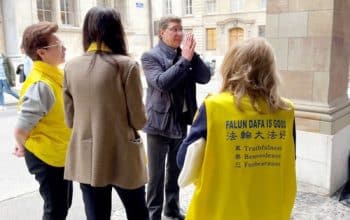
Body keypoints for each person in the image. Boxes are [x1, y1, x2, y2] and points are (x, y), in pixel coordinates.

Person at [177, 38, 297, 220]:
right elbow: (290, 156)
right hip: (270, 210)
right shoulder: (286, 110)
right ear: (271, 70)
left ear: (230, 67)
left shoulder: (214, 107)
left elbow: (182, 161)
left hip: (219, 210)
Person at [63, 7, 149, 220]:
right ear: (117, 31)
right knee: (138, 212)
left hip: (87, 155)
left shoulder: (71, 67)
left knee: (96, 215)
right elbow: (138, 120)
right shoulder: (127, 66)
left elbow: (70, 120)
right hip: (124, 153)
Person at [141, 15, 211, 220]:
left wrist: (192, 56)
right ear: (162, 33)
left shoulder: (186, 55)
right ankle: (153, 214)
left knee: (175, 170)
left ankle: (171, 209)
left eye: (181, 29)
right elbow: (162, 82)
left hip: (180, 121)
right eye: (174, 29)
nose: (179, 33)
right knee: (156, 176)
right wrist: (184, 60)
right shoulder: (150, 56)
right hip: (158, 124)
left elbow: (205, 77)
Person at [13, 22, 72, 219]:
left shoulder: (54, 76)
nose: (64, 48)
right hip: (46, 157)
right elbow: (20, 129)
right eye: (57, 45)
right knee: (56, 209)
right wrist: (22, 146)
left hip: (58, 153)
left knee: (62, 204)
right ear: (42, 53)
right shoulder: (42, 85)